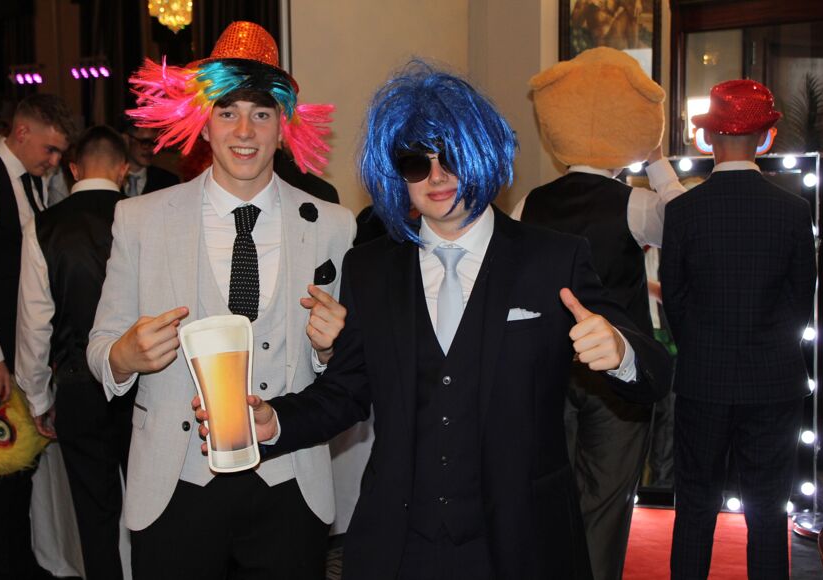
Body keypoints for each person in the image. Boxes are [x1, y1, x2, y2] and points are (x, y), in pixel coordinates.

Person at [197, 61, 672, 579]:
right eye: (414, 163)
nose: (437, 176)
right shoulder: (370, 269)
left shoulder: (554, 258)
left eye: (451, 155)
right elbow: (347, 390)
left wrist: (622, 353)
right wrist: (278, 421)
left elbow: (655, 373)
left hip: (524, 540)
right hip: (401, 545)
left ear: (482, 152)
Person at [86, 21, 355, 579]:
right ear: (203, 123)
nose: (245, 131)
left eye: (262, 114)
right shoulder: (139, 220)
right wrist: (124, 356)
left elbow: (347, 372)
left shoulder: (332, 225)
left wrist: (332, 349)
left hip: (289, 482)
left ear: (283, 127)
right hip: (174, 482)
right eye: (227, 112)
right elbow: (101, 345)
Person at [518, 46, 683, 580]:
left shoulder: (529, 203)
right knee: (604, 507)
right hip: (619, 378)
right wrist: (656, 158)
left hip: (546, 372)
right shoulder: (634, 204)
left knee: (547, 496)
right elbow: (688, 224)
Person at [661, 79, 816, 579]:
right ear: (766, 138)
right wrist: (769, 344)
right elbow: (801, 300)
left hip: (703, 377)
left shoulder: (683, 211)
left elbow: (674, 298)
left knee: (695, 505)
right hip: (774, 380)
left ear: (708, 138)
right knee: (768, 510)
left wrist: (702, 347)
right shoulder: (794, 211)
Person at [16, 125, 131, 579]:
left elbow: (34, 327)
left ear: (74, 170)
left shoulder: (44, 226)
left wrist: (38, 399)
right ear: (123, 169)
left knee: (94, 511)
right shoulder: (145, 218)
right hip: (144, 384)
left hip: (78, 384)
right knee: (153, 504)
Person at [0, 92, 75, 580]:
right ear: (21, 132)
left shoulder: (33, 183)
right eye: (50, 149)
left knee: (19, 472)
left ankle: (19, 562)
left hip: (19, 357)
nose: (55, 161)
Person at [120, 121, 179, 195]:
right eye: (145, 142)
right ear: (126, 139)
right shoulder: (109, 177)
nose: (152, 149)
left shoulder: (169, 182)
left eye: (155, 143)